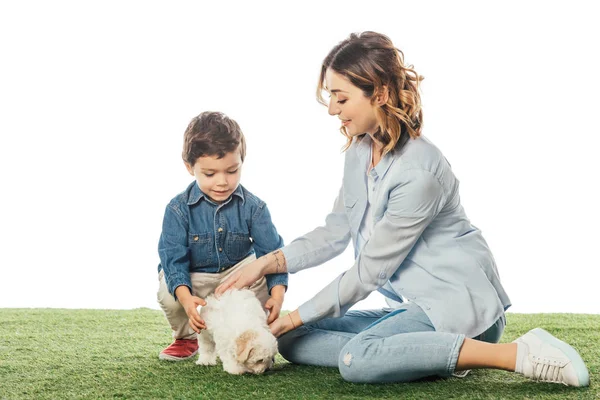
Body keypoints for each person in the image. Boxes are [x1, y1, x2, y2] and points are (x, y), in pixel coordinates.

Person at [215, 32, 590, 386]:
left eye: (341, 98)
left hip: (459, 307)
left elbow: (369, 272)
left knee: (355, 360)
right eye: (330, 97)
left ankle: (513, 353)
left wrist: (292, 314)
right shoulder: (360, 151)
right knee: (292, 340)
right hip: (418, 307)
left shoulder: (418, 171)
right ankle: (420, 354)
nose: (331, 109)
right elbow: (334, 232)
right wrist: (266, 263)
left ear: (377, 93)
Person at [156, 111, 288, 361]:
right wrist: (185, 299)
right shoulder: (177, 210)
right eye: (210, 174)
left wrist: (277, 294)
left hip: (238, 274)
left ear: (242, 162)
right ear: (189, 167)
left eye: (231, 171)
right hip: (197, 275)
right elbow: (173, 260)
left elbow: (273, 254)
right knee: (168, 289)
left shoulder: (254, 207)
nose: (222, 182)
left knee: (262, 267)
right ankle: (186, 337)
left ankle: (248, 334)